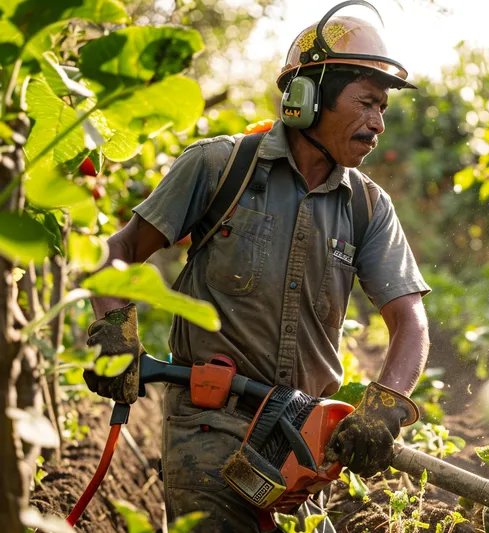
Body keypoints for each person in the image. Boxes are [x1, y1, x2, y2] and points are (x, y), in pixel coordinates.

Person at [83, 4, 430, 531]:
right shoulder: (219, 168)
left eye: (382, 109)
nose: (377, 124)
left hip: (297, 438)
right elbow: (120, 250)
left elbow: (410, 322)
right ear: (306, 98)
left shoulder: (367, 207)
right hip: (207, 426)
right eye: (366, 104)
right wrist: (113, 330)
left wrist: (384, 408)